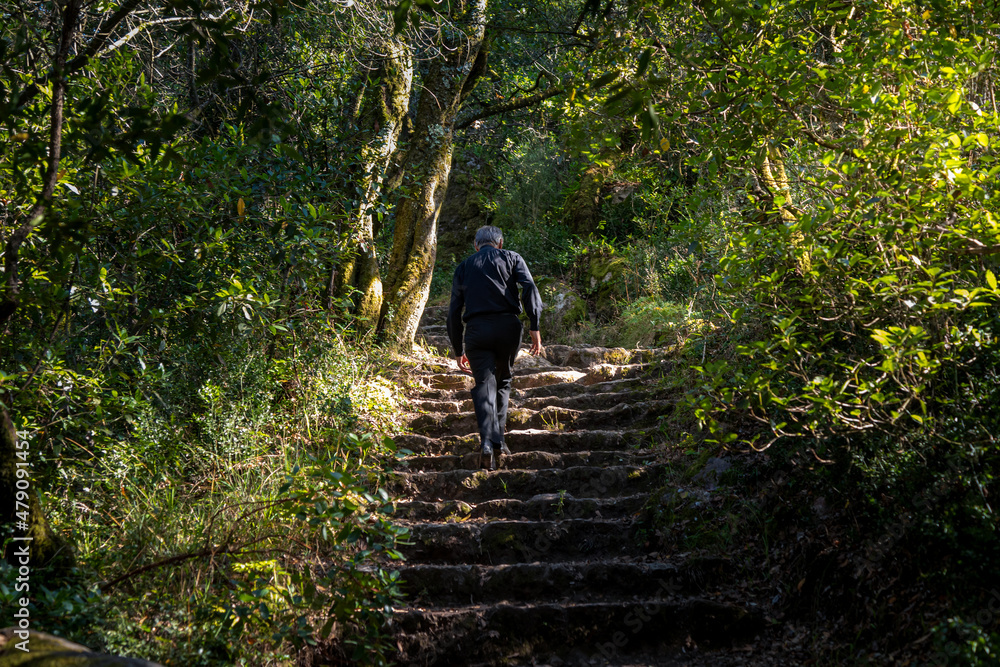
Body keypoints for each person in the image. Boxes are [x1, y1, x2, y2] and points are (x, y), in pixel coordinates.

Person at [446, 225, 543, 470]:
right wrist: (534, 324)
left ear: (476, 245)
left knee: (484, 383)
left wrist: (458, 350)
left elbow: (454, 311)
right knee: (503, 381)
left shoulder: (465, 266)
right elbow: (529, 286)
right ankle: (498, 439)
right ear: (500, 243)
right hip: (508, 327)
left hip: (477, 331)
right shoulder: (512, 258)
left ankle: (487, 442)